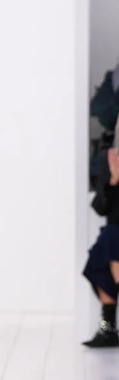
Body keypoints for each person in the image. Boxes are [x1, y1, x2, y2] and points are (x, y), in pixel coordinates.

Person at [83, 144, 119, 347]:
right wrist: (113, 180)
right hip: (114, 232)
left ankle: (108, 327)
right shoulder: (110, 158)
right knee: (100, 261)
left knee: (110, 240)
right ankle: (108, 327)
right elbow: (100, 207)